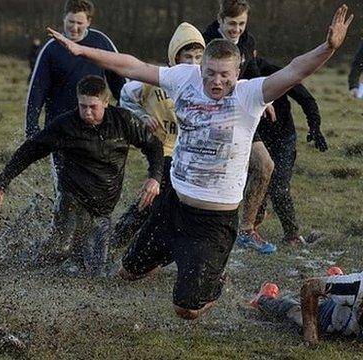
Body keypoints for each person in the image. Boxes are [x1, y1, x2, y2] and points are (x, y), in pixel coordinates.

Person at [47, 4, 353, 319]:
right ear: (201, 67)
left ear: (238, 71)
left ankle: (213, 281)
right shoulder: (185, 78)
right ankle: (177, 257)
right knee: (127, 272)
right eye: (210, 73)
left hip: (213, 223)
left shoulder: (250, 95)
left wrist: (328, 47)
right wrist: (81, 51)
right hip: (172, 207)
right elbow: (132, 66)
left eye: (225, 75)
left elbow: (295, 70)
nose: (216, 81)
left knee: (186, 310)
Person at [0, 75, 163, 277]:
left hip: (103, 209)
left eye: (93, 107)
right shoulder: (66, 125)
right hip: (73, 199)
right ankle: (6, 263)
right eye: (83, 106)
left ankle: (75, 257)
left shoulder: (124, 121)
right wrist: (1, 184)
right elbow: (30, 151)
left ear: (106, 103)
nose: (87, 112)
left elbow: (153, 145)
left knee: (97, 272)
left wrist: (154, 177)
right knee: (59, 249)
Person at [111, 22, 205, 248]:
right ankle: (118, 240)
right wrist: (141, 116)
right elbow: (124, 97)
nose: (193, 63)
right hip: (160, 148)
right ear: (175, 57)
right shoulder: (159, 78)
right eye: (188, 57)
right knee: (156, 197)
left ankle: (158, 246)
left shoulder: (203, 82)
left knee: (177, 203)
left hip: (188, 153)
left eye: (198, 57)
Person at [25, 0, 126, 196]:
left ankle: (94, 221)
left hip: (97, 125)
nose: (74, 27)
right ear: (64, 19)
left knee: (95, 181)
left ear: (89, 21)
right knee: (64, 186)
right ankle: (62, 220)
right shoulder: (51, 50)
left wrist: (122, 116)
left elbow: (121, 82)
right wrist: (31, 127)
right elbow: (36, 92)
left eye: (80, 23)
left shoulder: (101, 43)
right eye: (70, 22)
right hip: (61, 126)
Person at [202, 0, 278, 253]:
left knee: (265, 165)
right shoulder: (204, 40)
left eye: (242, 24)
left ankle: (247, 229)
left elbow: (254, 71)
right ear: (220, 20)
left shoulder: (247, 41)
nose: (237, 29)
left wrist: (264, 98)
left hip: (241, 113)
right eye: (232, 23)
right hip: (209, 116)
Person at [252, 56, 327, 245]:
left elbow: (305, 98)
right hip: (254, 139)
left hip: (283, 138)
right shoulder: (231, 75)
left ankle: (292, 235)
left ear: (252, 53)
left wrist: (314, 126)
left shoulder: (274, 71)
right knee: (255, 185)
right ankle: (251, 228)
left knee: (278, 187)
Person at [250, 268, 363, 345]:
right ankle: (263, 299)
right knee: (294, 313)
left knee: (343, 292)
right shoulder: (357, 287)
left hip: (347, 309)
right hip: (327, 318)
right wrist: (311, 335)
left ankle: (336, 283)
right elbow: (310, 287)